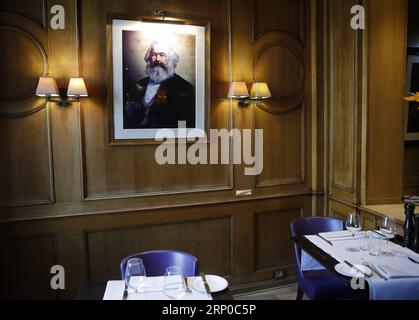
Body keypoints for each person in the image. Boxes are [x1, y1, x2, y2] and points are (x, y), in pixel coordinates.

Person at [124, 40, 195, 129]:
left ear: (170, 59)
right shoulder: (139, 84)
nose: (157, 59)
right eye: (154, 54)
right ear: (149, 57)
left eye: (162, 55)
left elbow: (185, 122)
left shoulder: (183, 86)